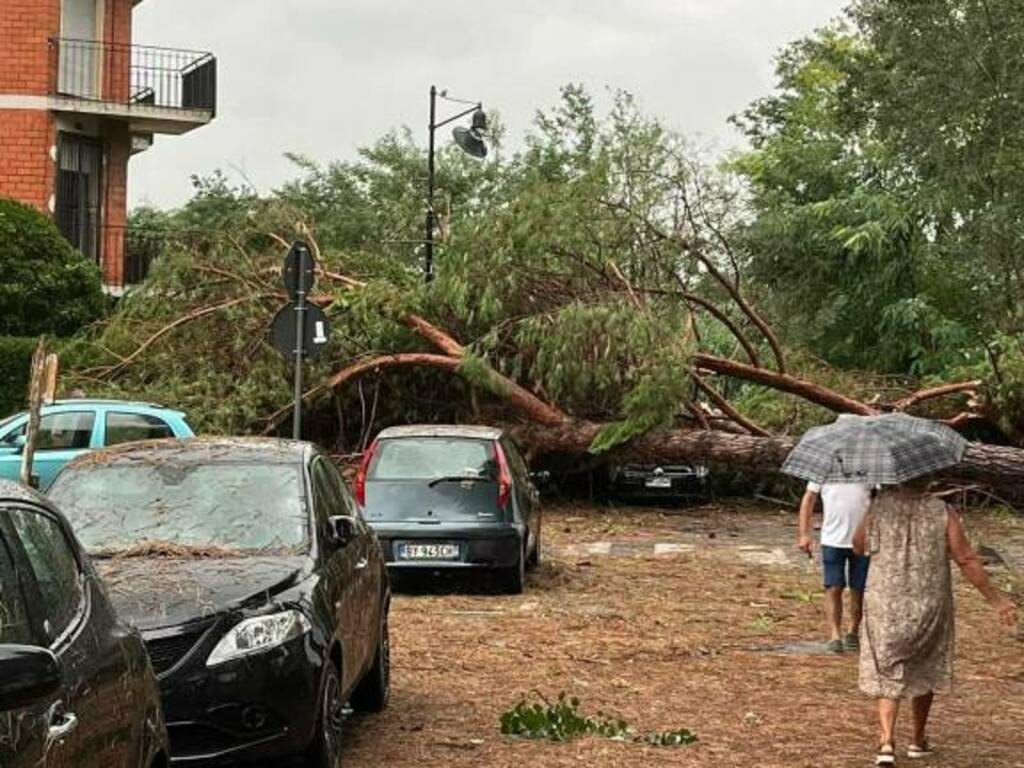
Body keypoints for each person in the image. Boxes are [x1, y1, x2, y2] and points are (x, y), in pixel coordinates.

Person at [853, 488, 1018, 766]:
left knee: (887, 667)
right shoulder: (942, 511)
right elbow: (965, 557)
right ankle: (917, 739)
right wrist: (996, 600)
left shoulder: (878, 508)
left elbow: (858, 545)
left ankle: (886, 742)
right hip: (929, 601)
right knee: (925, 665)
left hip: (885, 602)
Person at [797, 482, 872, 653]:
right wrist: (804, 534)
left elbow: (877, 500)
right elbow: (808, 499)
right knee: (833, 586)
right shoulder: (825, 468)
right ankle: (834, 634)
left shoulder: (869, 469)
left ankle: (853, 630)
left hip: (863, 538)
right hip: (832, 538)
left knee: (858, 588)